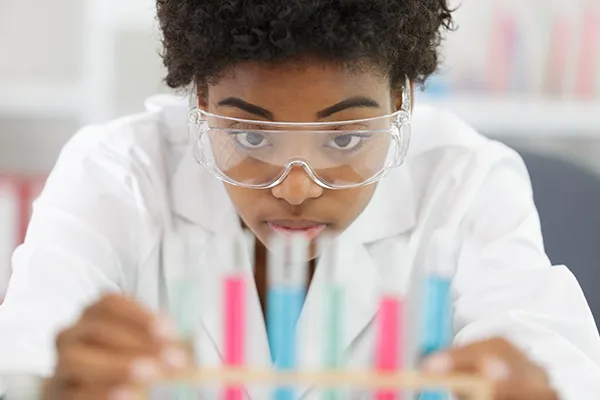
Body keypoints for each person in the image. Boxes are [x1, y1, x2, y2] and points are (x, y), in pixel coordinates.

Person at [0, 0, 599, 398]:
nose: (296, 188)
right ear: (201, 97)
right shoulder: (115, 174)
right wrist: (51, 383)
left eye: (344, 137)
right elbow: (25, 361)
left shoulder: (466, 181)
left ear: (403, 99)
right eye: (251, 135)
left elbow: (560, 369)